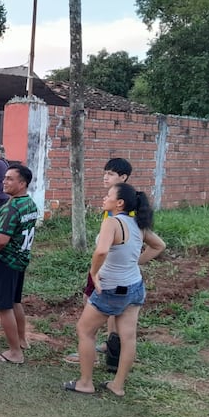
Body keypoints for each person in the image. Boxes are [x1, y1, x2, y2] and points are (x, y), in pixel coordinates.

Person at [63, 182, 165, 396]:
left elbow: (101, 252)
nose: (104, 198)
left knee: (85, 330)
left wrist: (93, 272)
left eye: (108, 195)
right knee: (128, 337)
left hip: (111, 289)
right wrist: (136, 262)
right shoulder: (138, 224)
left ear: (119, 203)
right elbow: (159, 245)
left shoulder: (112, 222)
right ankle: (117, 386)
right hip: (134, 287)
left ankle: (85, 383)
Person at [64, 157, 134, 368]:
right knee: (115, 310)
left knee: (92, 306)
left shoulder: (123, 208)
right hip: (114, 270)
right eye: (105, 172)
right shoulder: (113, 205)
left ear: (123, 178)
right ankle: (110, 345)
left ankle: (91, 351)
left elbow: (107, 248)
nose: (105, 177)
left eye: (111, 174)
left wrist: (95, 271)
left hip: (107, 270)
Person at [0, 165, 38, 364]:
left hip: (5, 261)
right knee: (15, 302)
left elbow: (1, 240)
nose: (4, 181)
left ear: (22, 184)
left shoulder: (12, 208)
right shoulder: (29, 204)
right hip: (20, 260)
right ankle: (21, 340)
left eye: (10, 179)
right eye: (4, 178)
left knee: (4, 306)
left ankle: (15, 352)